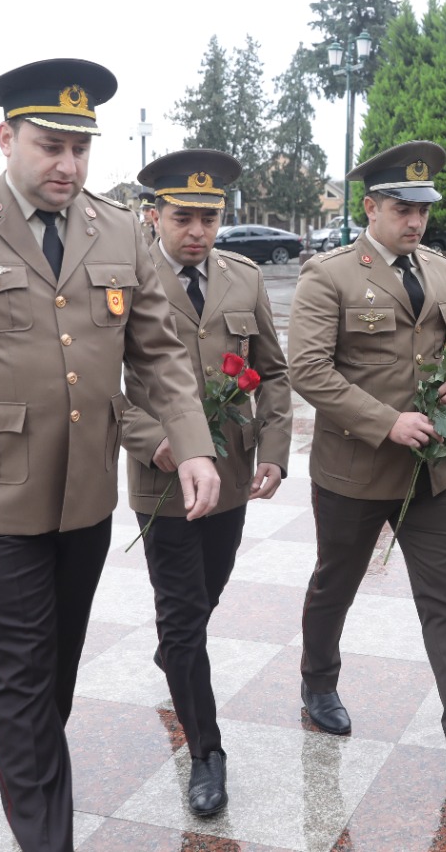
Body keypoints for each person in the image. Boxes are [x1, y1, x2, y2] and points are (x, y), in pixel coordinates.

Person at [0, 58, 220, 852]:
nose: (67, 165)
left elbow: (158, 353)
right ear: (7, 139)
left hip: (84, 492)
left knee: (53, 668)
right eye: (51, 146)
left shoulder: (119, 228)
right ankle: (45, 834)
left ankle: (31, 776)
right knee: (22, 668)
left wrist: (190, 445)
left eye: (80, 150)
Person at [289, 140, 446, 779]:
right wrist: (385, 421)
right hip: (354, 471)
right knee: (335, 583)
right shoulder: (329, 274)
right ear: (371, 207)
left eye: (422, 209)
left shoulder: (441, 269)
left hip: (431, 471)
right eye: (401, 207)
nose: (415, 221)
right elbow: (307, 370)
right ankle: (318, 681)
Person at [120, 149, 292, 817]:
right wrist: (152, 440)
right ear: (154, 215)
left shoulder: (243, 278)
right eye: (183, 217)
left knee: (206, 593)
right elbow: (103, 385)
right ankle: (207, 753)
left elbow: (273, 372)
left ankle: (177, 662)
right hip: (160, 474)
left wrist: (274, 446)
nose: (197, 231)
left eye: (209, 218)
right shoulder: (125, 280)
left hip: (230, 471)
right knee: (185, 616)